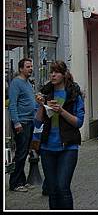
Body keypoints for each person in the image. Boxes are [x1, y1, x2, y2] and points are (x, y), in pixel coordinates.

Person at [34, 61, 84, 210]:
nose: (53, 75)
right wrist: (42, 106)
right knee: (52, 190)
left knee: (63, 187)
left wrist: (61, 111)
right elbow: (37, 123)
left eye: (56, 72)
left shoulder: (73, 95)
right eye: (51, 72)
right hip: (47, 147)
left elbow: (78, 122)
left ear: (64, 75)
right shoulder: (46, 93)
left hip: (68, 147)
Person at [8, 58, 36, 192]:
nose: (30, 69)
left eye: (31, 66)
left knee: (24, 153)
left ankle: (22, 181)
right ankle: (14, 183)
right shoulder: (16, 83)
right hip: (22, 123)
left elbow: (31, 102)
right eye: (27, 67)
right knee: (20, 153)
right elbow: (12, 104)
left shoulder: (28, 83)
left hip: (30, 122)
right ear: (20, 69)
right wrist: (16, 122)